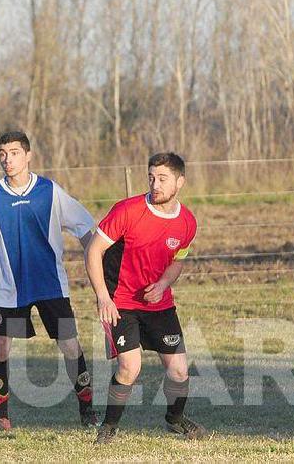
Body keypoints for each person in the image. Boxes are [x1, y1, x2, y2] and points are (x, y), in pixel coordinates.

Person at [0, 131, 100, 432]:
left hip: (50, 287)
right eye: (2, 153)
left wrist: (99, 265)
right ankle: (1, 416)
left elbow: (85, 228)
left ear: (28, 155)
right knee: (2, 347)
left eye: (14, 152)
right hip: (10, 291)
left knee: (70, 345)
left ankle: (88, 411)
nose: (7, 159)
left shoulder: (49, 191)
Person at [84, 152, 206, 444]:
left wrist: (163, 283)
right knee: (130, 367)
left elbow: (178, 259)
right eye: (151, 177)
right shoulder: (127, 211)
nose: (155, 184)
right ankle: (109, 427)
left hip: (159, 305)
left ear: (180, 182)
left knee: (178, 371)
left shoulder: (187, 222)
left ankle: (175, 420)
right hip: (121, 302)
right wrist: (103, 297)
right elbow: (93, 250)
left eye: (163, 178)